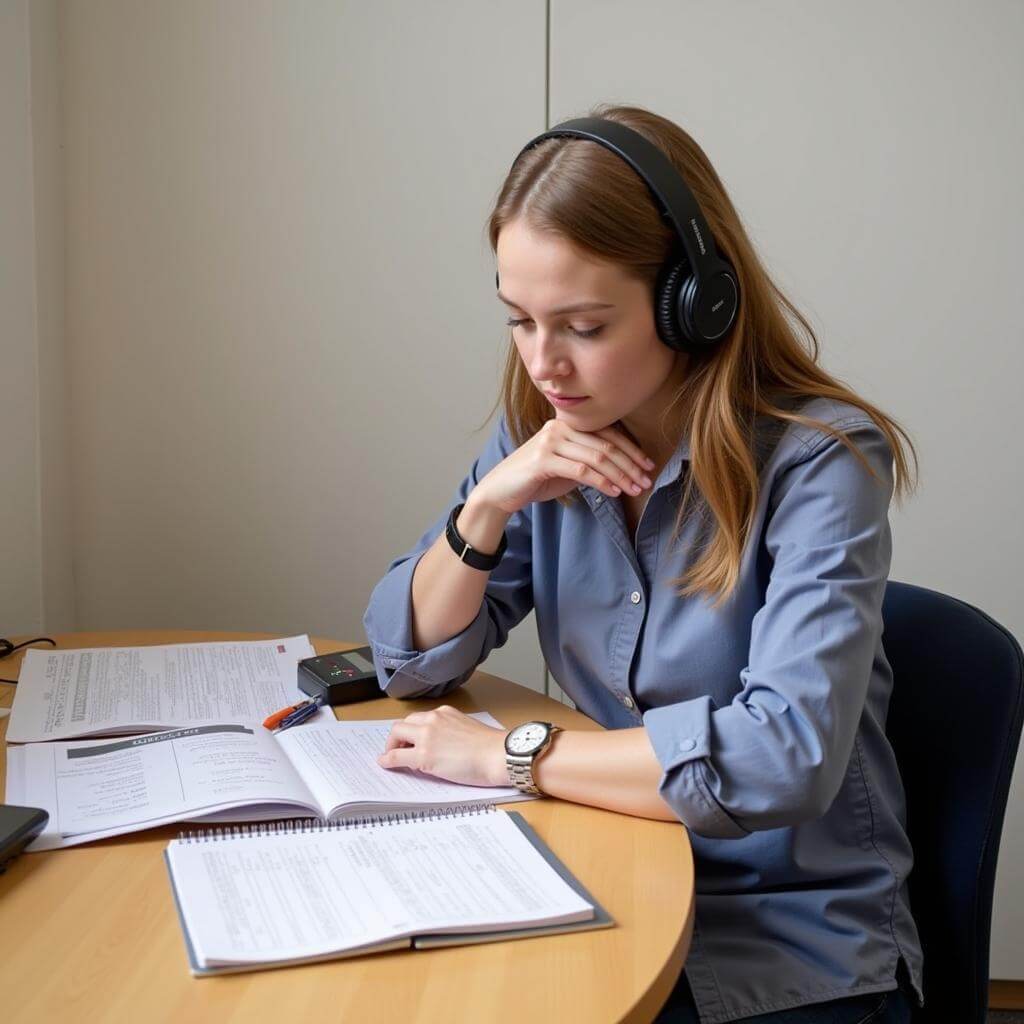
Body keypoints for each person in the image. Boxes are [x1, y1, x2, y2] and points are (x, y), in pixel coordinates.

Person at [362, 103, 924, 1023]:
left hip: (790, 946)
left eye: (583, 325)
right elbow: (410, 657)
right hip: (610, 876)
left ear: (694, 302)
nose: (545, 363)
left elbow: (786, 756)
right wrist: (490, 504)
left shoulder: (825, 461)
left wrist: (514, 756)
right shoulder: (545, 437)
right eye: (519, 321)